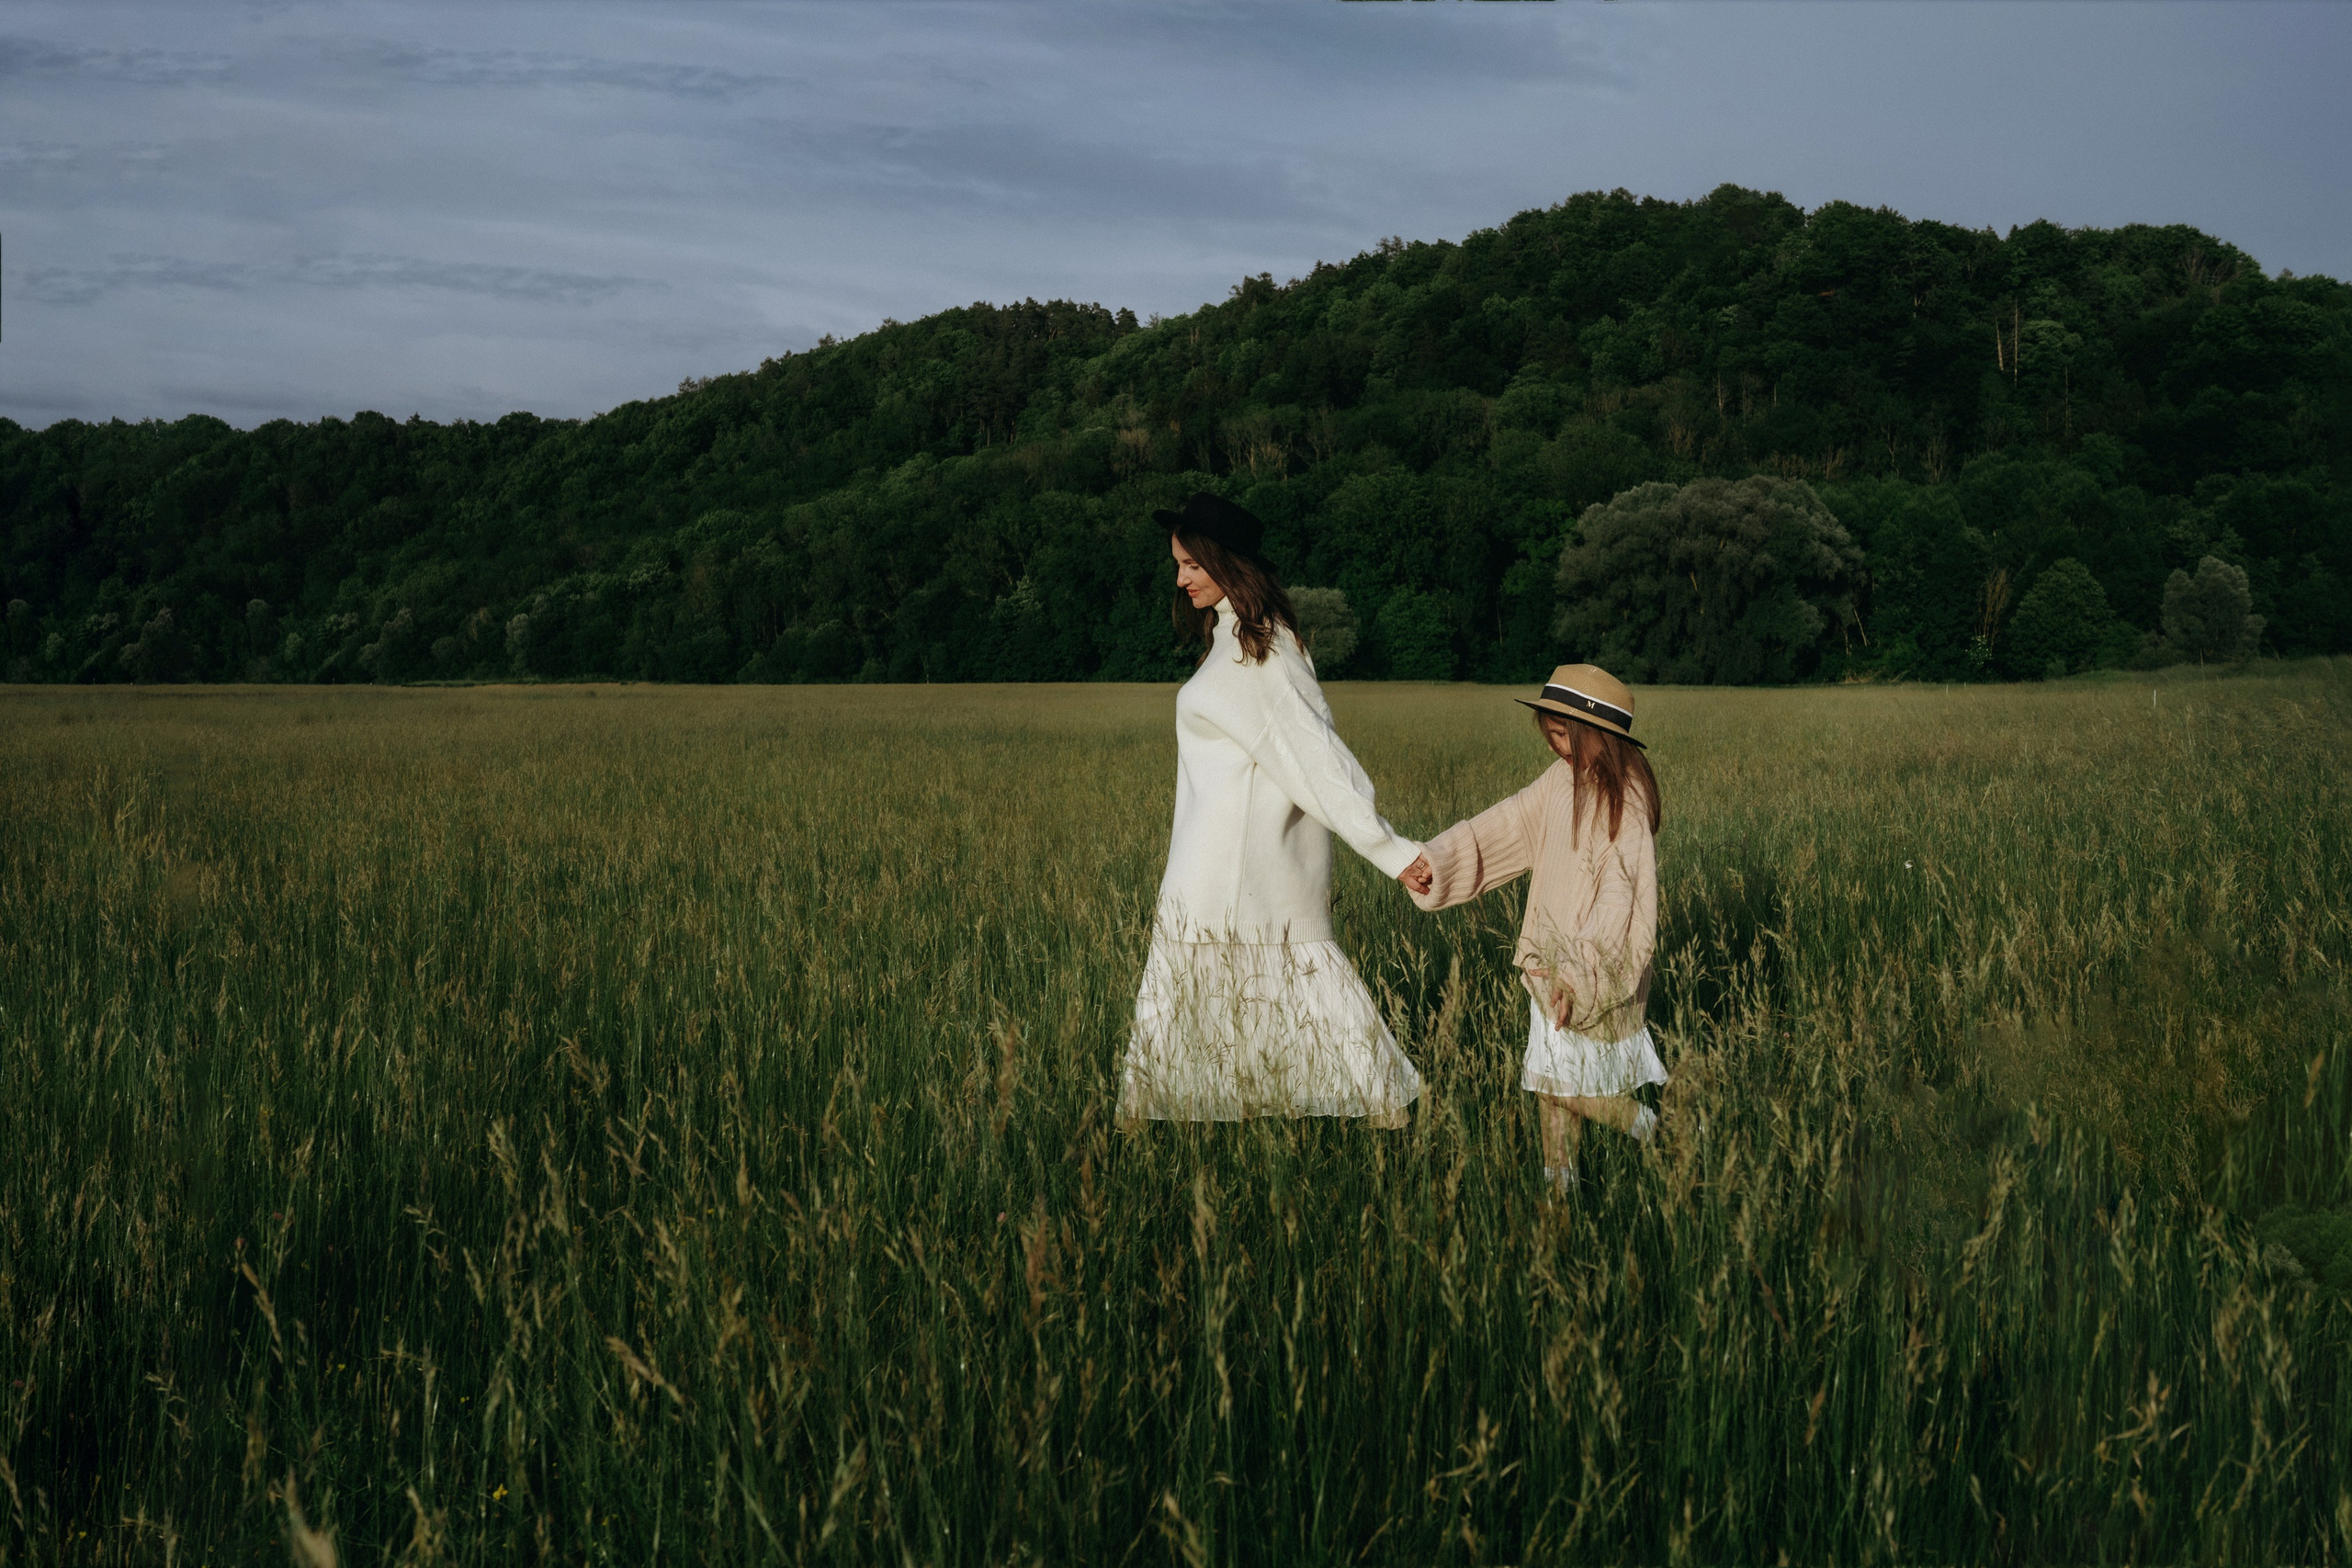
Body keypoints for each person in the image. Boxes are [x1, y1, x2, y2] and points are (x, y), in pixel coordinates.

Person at [1117, 492, 1427, 1127]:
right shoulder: (1236, 638)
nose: (1179, 578)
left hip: (1242, 870)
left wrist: (1392, 851)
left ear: (1225, 561)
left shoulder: (1262, 651)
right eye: (1176, 564)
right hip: (1211, 866)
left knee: (1292, 979)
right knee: (1224, 991)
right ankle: (1151, 1123)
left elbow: (1320, 759)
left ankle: (1137, 1129)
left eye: (1190, 564)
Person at [1399, 664, 1663, 1191]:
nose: (1554, 745)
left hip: (1587, 972)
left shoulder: (1626, 799)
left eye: (1563, 734)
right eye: (1549, 732)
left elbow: (1621, 898)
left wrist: (1580, 973)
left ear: (1599, 735)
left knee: (1554, 1084)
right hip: (1549, 965)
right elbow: (1509, 823)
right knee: (1551, 1089)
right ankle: (1559, 1195)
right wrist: (1439, 860)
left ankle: (1659, 1129)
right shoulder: (1562, 780)